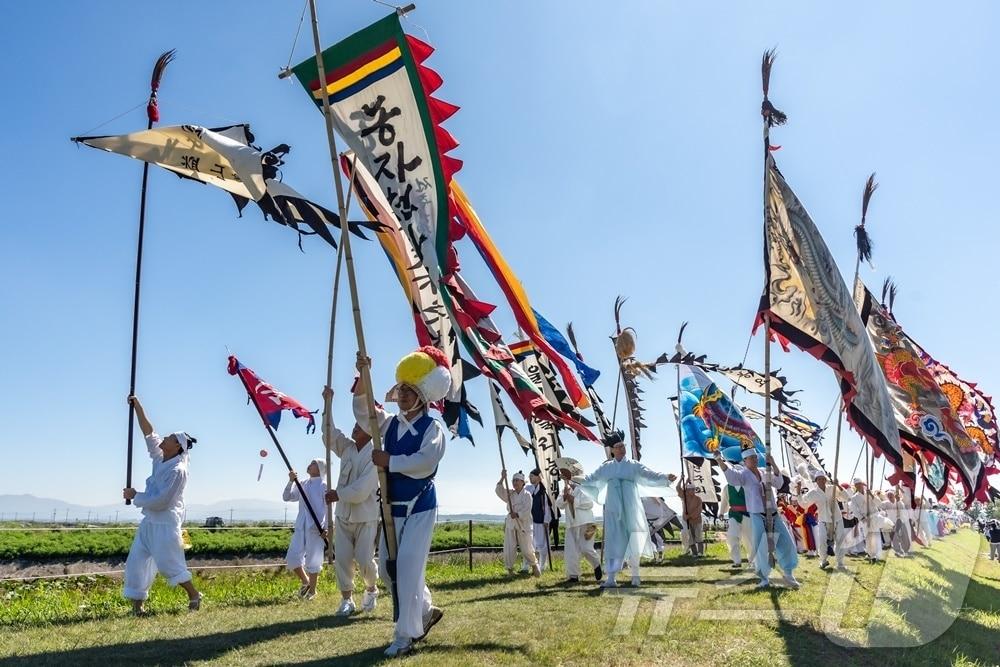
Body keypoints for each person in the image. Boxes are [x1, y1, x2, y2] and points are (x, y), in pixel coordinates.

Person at [354, 348, 451, 657]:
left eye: (410, 390)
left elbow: (427, 461)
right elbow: (362, 413)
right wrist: (362, 379)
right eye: (401, 389)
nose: (404, 395)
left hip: (420, 507)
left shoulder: (432, 427)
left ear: (423, 394)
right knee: (387, 570)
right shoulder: (389, 424)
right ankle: (423, 611)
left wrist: (389, 461)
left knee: (408, 567)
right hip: (391, 508)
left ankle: (404, 636)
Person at [121, 395, 202, 615]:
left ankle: (194, 594)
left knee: (169, 565)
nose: (162, 440)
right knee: (136, 563)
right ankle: (138, 607)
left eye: (167, 438)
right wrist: (137, 405)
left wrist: (136, 495)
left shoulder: (178, 471)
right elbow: (149, 432)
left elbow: (162, 501)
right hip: (149, 522)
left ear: (177, 447)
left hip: (166, 523)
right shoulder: (160, 457)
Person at [579, 431, 674, 588]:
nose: (622, 449)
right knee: (613, 541)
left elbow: (649, 474)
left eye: (623, 445)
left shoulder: (633, 465)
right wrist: (574, 478)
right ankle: (611, 578)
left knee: (634, 539)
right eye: (618, 446)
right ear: (612, 450)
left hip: (631, 508)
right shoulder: (606, 468)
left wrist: (664, 477)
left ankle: (635, 576)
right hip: (613, 509)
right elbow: (590, 479)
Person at [322, 386, 379, 617]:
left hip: (365, 515)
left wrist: (339, 494)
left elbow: (362, 490)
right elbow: (328, 434)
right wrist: (328, 403)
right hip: (343, 514)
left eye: (360, 424)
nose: (355, 426)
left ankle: (371, 589)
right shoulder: (347, 448)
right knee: (343, 559)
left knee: (365, 559)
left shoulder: (375, 453)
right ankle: (347, 599)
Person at [714, 448, 800, 589]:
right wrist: (719, 460)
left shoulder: (763, 471)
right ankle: (764, 578)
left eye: (755, 457)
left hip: (772, 513)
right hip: (757, 514)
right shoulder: (744, 475)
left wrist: (772, 463)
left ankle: (789, 574)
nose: (754, 459)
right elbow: (731, 477)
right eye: (751, 458)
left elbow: (778, 483)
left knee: (786, 541)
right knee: (760, 545)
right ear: (745, 461)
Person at [282, 459, 328, 600]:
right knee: (292, 557)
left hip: (316, 527)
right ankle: (305, 581)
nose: (310, 464)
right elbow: (287, 497)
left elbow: (329, 507)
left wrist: (326, 527)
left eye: (314, 463)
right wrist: (291, 481)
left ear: (319, 468)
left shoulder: (324, 485)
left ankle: (312, 592)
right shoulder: (302, 483)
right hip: (301, 525)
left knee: (313, 560)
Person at [555, 457, 602, 582]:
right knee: (571, 550)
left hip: (588, 523)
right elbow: (559, 504)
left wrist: (573, 500)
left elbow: (589, 504)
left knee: (586, 548)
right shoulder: (565, 489)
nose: (563, 476)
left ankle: (596, 564)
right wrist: (565, 497)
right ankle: (573, 576)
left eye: (565, 473)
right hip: (572, 524)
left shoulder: (584, 486)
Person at [495, 471, 542, 576]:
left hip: (523, 523)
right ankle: (510, 570)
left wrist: (517, 514)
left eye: (517, 480)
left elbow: (527, 510)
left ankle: (534, 565)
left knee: (527, 548)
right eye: (513, 481)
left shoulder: (527, 495)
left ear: (522, 482)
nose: (514, 482)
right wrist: (502, 478)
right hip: (511, 523)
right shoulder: (510, 493)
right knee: (509, 547)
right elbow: (499, 491)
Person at [797, 471, 846, 570]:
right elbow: (804, 504)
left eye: (823, 479)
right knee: (822, 540)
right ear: (816, 481)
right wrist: (798, 491)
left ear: (825, 480)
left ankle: (840, 562)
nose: (822, 481)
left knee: (840, 539)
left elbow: (845, 497)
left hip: (837, 518)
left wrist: (838, 486)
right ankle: (823, 560)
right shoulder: (813, 493)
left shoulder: (832, 488)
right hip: (823, 519)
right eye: (819, 479)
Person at [720, 479, 753, 570]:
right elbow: (724, 501)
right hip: (733, 515)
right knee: (732, 537)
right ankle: (737, 561)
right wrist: (721, 513)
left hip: (747, 514)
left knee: (749, 538)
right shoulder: (727, 487)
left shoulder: (747, 486)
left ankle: (752, 560)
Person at [849, 478, 883, 562]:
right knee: (868, 536)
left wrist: (871, 495)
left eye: (860, 484)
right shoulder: (854, 498)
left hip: (874, 516)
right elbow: (854, 510)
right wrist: (862, 518)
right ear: (855, 486)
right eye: (857, 484)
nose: (859, 486)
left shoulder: (870, 492)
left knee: (876, 535)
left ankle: (877, 554)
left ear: (862, 484)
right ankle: (871, 554)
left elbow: (879, 504)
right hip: (865, 518)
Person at [525, 469, 552, 571]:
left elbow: (546, 507)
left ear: (538, 477)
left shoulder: (543, 491)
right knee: (528, 544)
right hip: (529, 520)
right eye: (529, 476)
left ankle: (542, 565)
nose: (530, 478)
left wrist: (546, 520)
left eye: (532, 476)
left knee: (542, 544)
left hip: (540, 521)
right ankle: (526, 566)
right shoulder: (528, 488)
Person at [676, 481, 704, 557]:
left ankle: (700, 553)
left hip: (697, 520)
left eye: (692, 489)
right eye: (689, 489)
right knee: (691, 538)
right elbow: (678, 488)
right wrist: (681, 480)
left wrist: (690, 516)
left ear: (694, 490)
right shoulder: (684, 497)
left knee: (698, 537)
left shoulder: (698, 499)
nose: (691, 491)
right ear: (687, 490)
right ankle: (694, 553)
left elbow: (699, 510)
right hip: (688, 521)